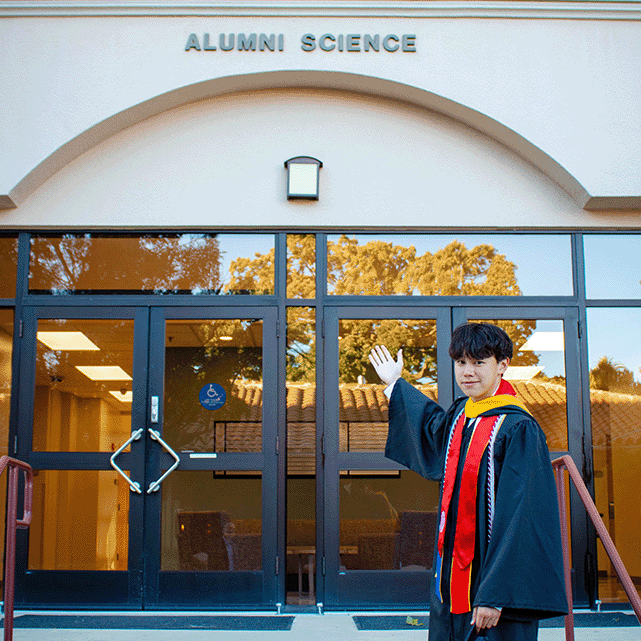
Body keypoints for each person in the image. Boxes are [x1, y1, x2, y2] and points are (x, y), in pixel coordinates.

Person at [369, 322, 568, 641]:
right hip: (451, 579)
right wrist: (395, 383)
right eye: (461, 362)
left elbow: (522, 518)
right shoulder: (462, 414)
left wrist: (494, 596)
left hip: (493, 587)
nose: (467, 371)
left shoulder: (517, 428)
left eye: (479, 362)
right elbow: (430, 429)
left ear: (503, 365)